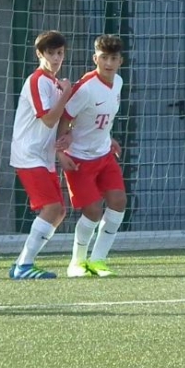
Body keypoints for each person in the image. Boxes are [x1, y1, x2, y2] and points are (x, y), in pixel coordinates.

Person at [57, 34, 127, 278]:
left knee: (118, 202)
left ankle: (98, 261)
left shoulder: (117, 82)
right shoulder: (85, 88)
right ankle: (77, 263)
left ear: (121, 61)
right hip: (79, 159)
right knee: (93, 211)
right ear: (94, 58)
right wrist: (61, 152)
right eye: (104, 58)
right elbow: (65, 119)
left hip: (105, 154)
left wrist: (109, 138)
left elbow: (102, 119)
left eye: (113, 58)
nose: (108, 63)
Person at [8, 30, 72, 280]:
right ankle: (24, 265)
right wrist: (67, 92)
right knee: (51, 207)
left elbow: (58, 123)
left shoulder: (55, 84)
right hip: (28, 155)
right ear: (39, 54)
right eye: (51, 53)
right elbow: (47, 119)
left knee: (59, 212)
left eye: (60, 53)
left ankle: (21, 264)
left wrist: (67, 139)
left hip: (44, 157)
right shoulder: (37, 80)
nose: (56, 58)